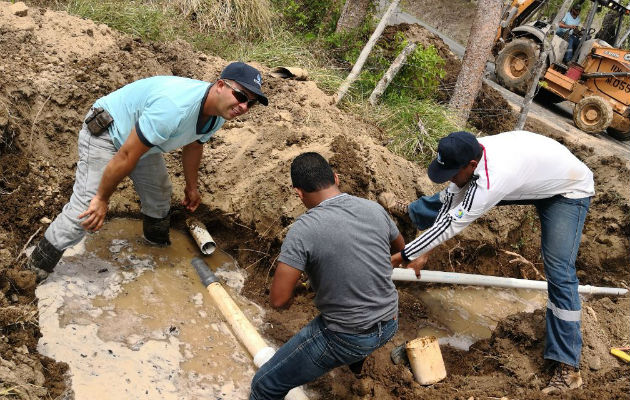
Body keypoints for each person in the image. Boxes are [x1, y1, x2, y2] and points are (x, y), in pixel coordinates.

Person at [380, 130, 593, 394]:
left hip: (568, 191)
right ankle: (414, 212)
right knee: (457, 192)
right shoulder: (472, 153)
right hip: (533, 175)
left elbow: (455, 221)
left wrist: (403, 256)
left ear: (471, 164)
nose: (450, 178)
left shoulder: (494, 178)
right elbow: (455, 196)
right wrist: (424, 248)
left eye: (453, 172)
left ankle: (567, 368)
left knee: (560, 272)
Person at [26, 62, 268, 281]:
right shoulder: (174, 107)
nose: (244, 106)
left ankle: (155, 249)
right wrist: (101, 198)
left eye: (251, 102)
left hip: (142, 141)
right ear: (219, 86)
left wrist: (191, 186)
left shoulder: (220, 113)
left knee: (160, 194)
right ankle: (33, 271)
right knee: (85, 210)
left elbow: (194, 145)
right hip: (108, 133)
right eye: (240, 96)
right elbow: (127, 155)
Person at [250, 152, 405, 400]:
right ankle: (355, 362)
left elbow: (278, 301)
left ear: (298, 193)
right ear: (336, 178)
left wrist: (293, 295)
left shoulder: (303, 230)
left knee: (264, 385)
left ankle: (351, 354)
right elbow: (401, 248)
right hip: (390, 321)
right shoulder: (374, 209)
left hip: (347, 335)